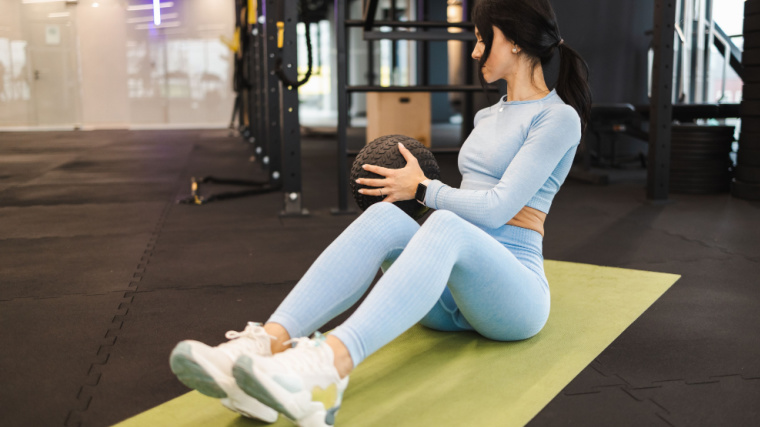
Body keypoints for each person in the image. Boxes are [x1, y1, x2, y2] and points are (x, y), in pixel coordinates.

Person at [169, 0, 592, 425]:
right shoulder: (487, 115)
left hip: (513, 297)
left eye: (483, 39)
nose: (476, 51)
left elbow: (499, 208)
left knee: (443, 222)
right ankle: (266, 344)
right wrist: (417, 194)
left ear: (514, 41)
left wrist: (423, 189)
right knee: (385, 217)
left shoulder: (557, 119)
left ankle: (328, 368)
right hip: (450, 297)